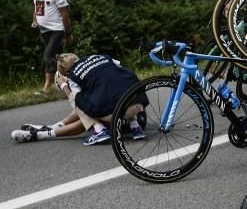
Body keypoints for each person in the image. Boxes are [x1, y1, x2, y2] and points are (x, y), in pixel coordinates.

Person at [12, 53, 146, 145]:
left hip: (115, 114)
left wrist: (64, 85)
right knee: (109, 94)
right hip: (137, 103)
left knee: (79, 101)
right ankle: (135, 128)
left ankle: (43, 134)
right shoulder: (101, 57)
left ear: (66, 72)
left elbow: (79, 103)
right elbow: (122, 71)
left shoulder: (74, 76)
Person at [30, 0, 72, 95]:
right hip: (44, 30)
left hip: (57, 29)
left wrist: (68, 33)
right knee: (58, 58)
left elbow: (64, 13)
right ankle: (69, 83)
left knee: (48, 55)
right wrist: (35, 20)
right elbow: (37, 7)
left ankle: (47, 88)